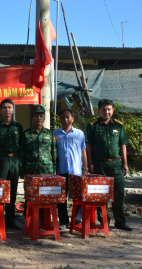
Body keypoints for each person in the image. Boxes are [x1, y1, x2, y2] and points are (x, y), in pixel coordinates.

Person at [86, 99, 131, 231]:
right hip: (99, 163)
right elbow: (88, 145)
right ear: (99, 110)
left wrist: (125, 164)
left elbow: (122, 145)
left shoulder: (118, 126)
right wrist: (90, 163)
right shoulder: (93, 126)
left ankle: (120, 222)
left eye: (109, 109)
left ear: (112, 110)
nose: (107, 112)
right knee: (101, 194)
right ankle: (104, 221)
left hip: (116, 164)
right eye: (104, 109)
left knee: (119, 193)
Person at [20, 105, 57, 219]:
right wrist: (22, 170)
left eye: (41, 116)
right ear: (32, 118)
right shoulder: (26, 134)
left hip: (47, 170)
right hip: (31, 169)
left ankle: (44, 218)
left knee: (45, 195)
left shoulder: (50, 134)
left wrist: (55, 170)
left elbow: (54, 152)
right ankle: (29, 219)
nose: (38, 118)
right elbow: (22, 153)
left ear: (44, 118)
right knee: (30, 194)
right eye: (36, 116)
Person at [0, 99, 24, 230]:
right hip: (1, 160)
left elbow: (21, 146)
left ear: (13, 109)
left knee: (12, 191)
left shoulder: (18, 126)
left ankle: (10, 220)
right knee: (0, 191)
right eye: (4, 108)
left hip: (15, 160)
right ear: (0, 110)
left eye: (9, 107)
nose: (7, 110)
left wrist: (21, 165)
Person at [54, 108, 87, 229]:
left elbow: (83, 151)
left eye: (68, 117)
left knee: (78, 196)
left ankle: (77, 220)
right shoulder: (55, 134)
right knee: (61, 197)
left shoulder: (79, 134)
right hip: (61, 170)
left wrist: (86, 167)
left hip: (76, 171)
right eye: (63, 117)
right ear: (60, 119)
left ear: (72, 119)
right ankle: (63, 221)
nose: (65, 119)